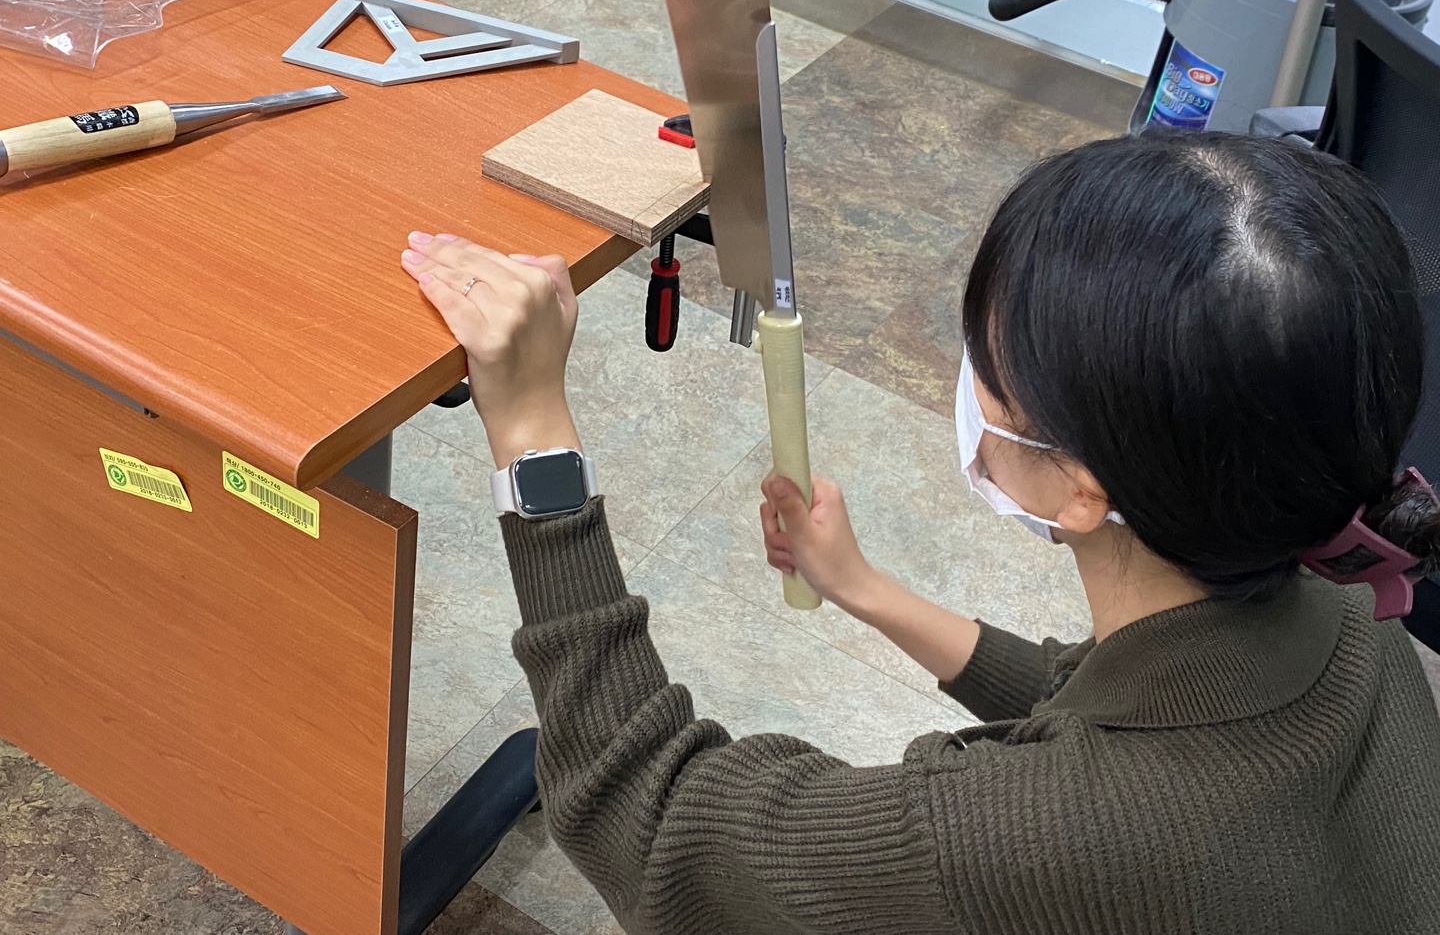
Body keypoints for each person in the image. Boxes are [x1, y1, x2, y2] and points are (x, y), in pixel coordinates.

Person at [399, 130, 1440, 934]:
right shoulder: (1353, 616)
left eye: (992, 353)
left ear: (1084, 490)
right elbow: (1104, 706)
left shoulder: (1015, 835)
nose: (970, 373)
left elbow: (655, 823)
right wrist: (865, 588)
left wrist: (532, 430)